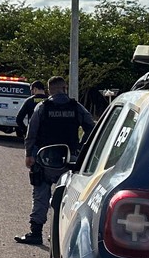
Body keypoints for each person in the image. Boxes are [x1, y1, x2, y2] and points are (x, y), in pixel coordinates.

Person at [15, 76, 95, 244]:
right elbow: (91, 127)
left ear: (50, 90)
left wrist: (29, 154)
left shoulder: (42, 107)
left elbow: (31, 133)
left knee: (40, 195)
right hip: (69, 159)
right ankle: (60, 236)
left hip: (45, 159)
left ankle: (36, 233)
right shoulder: (76, 107)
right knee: (67, 197)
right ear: (65, 88)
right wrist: (81, 147)